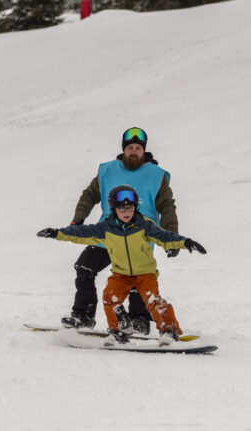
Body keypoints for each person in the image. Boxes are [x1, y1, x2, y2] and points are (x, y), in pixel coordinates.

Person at [38, 186, 206, 345]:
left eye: (130, 208)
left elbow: (165, 236)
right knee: (110, 297)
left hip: (145, 274)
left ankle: (169, 331)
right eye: (122, 209)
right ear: (114, 209)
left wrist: (185, 243)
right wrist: (57, 233)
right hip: (121, 274)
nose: (127, 212)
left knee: (153, 300)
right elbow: (81, 233)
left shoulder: (144, 225)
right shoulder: (106, 228)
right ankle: (118, 331)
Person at [61, 127, 178, 334]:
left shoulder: (156, 176)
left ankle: (139, 320)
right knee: (84, 268)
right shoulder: (107, 171)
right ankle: (83, 316)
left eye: (138, 148)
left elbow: (167, 207)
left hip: (138, 238)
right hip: (107, 234)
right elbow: (89, 195)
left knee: (136, 278)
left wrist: (172, 237)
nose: (134, 151)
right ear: (124, 149)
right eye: (130, 147)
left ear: (144, 151)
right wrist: (78, 219)